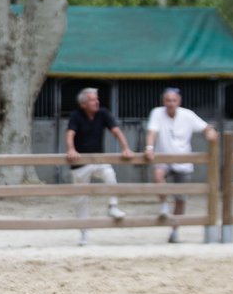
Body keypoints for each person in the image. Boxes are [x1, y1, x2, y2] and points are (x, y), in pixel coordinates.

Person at [143, 87, 218, 243]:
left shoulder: (187, 115)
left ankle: (175, 230)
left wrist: (210, 133)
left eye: (173, 100)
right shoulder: (157, 113)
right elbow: (152, 132)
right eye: (168, 100)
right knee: (158, 175)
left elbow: (205, 127)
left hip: (183, 161)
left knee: (181, 199)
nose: (171, 103)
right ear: (164, 102)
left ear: (179, 101)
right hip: (163, 157)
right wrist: (149, 148)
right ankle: (163, 205)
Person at [65, 87, 134, 246]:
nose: (96, 102)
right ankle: (84, 234)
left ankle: (112, 206)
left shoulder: (103, 113)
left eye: (96, 99)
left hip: (98, 160)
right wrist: (71, 149)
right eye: (92, 100)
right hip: (80, 164)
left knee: (110, 175)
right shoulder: (76, 116)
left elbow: (116, 131)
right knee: (81, 200)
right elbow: (70, 134)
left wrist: (126, 148)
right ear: (83, 104)